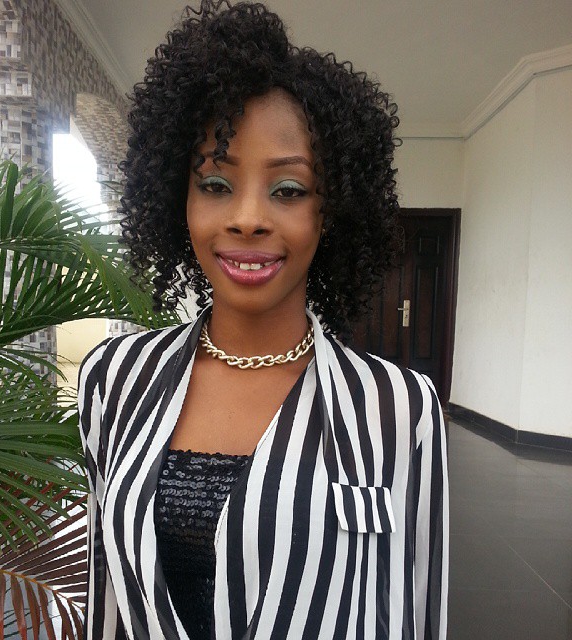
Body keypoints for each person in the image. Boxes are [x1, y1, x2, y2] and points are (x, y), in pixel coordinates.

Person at [77, 1, 449, 638]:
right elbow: (106, 598)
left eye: (288, 190)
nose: (248, 218)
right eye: (215, 185)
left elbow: (417, 611)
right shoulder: (115, 381)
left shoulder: (397, 408)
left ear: (330, 213)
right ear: (177, 200)